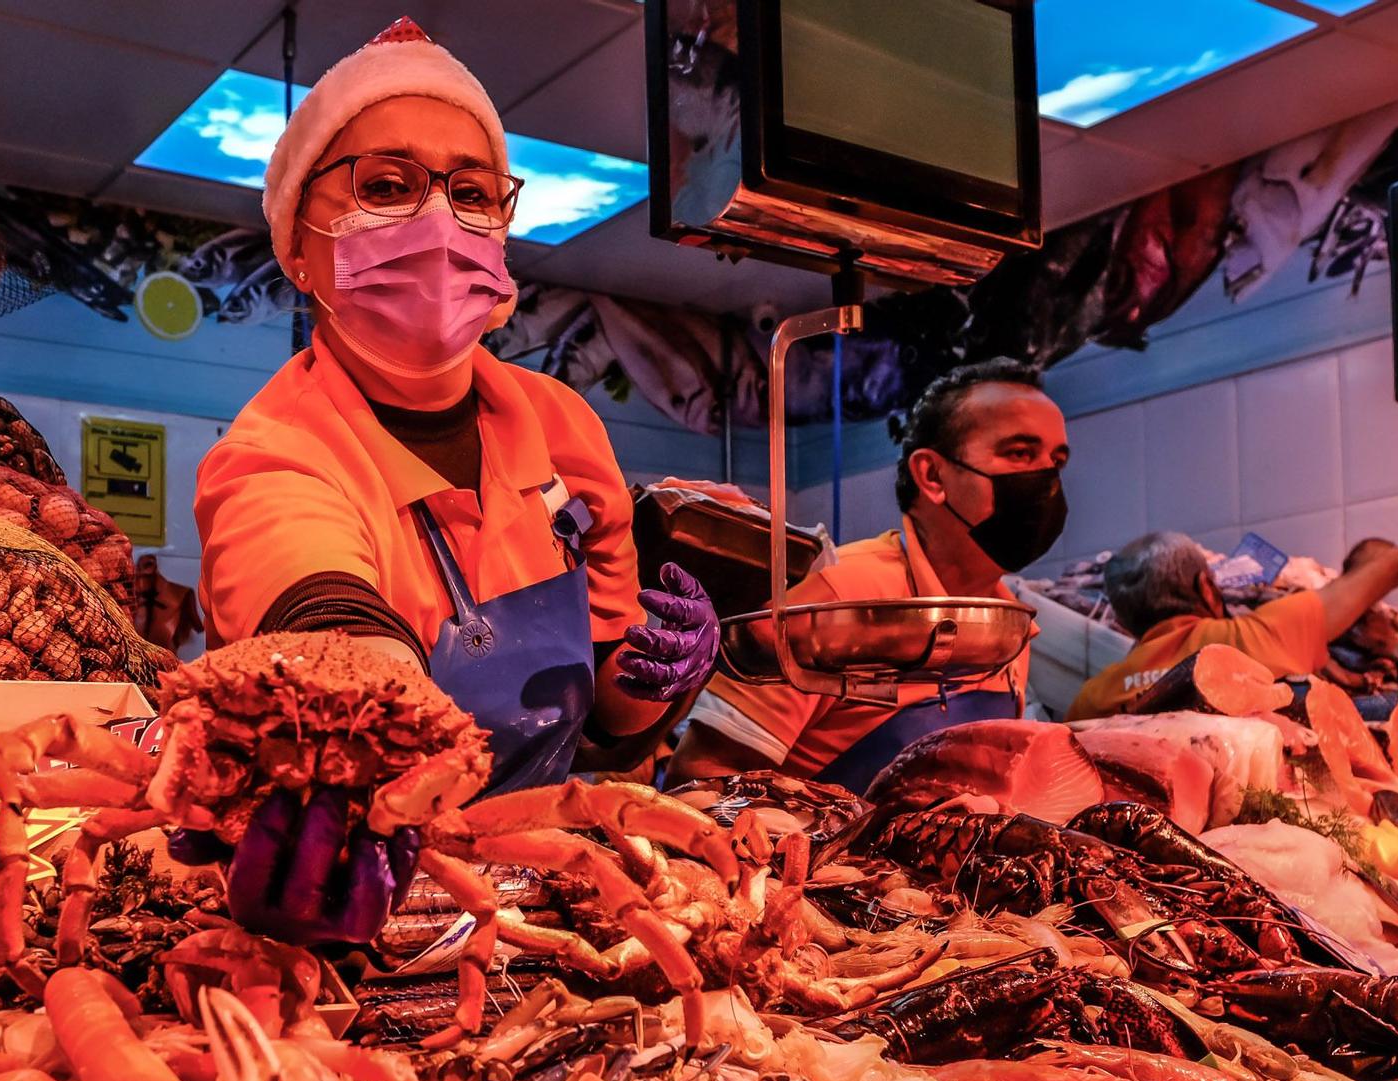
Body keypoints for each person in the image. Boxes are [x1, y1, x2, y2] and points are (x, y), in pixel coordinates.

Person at [188, 19, 720, 941]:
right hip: (350, 892)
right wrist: (360, 698)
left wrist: (650, 680)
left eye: (473, 194)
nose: (439, 222)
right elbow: (317, 607)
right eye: (386, 187)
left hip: (549, 887)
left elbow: (600, 721)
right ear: (299, 246)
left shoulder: (562, 427)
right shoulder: (273, 452)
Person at [669, 359, 1066, 792]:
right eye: (1020, 454)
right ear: (932, 475)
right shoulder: (836, 598)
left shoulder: (1007, 625)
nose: (1047, 481)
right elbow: (701, 778)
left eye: (1056, 460)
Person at [1065, 532, 1398, 720]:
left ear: (1122, 620)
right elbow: (1388, 562)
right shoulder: (1256, 637)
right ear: (1206, 587)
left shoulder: (1094, 696)